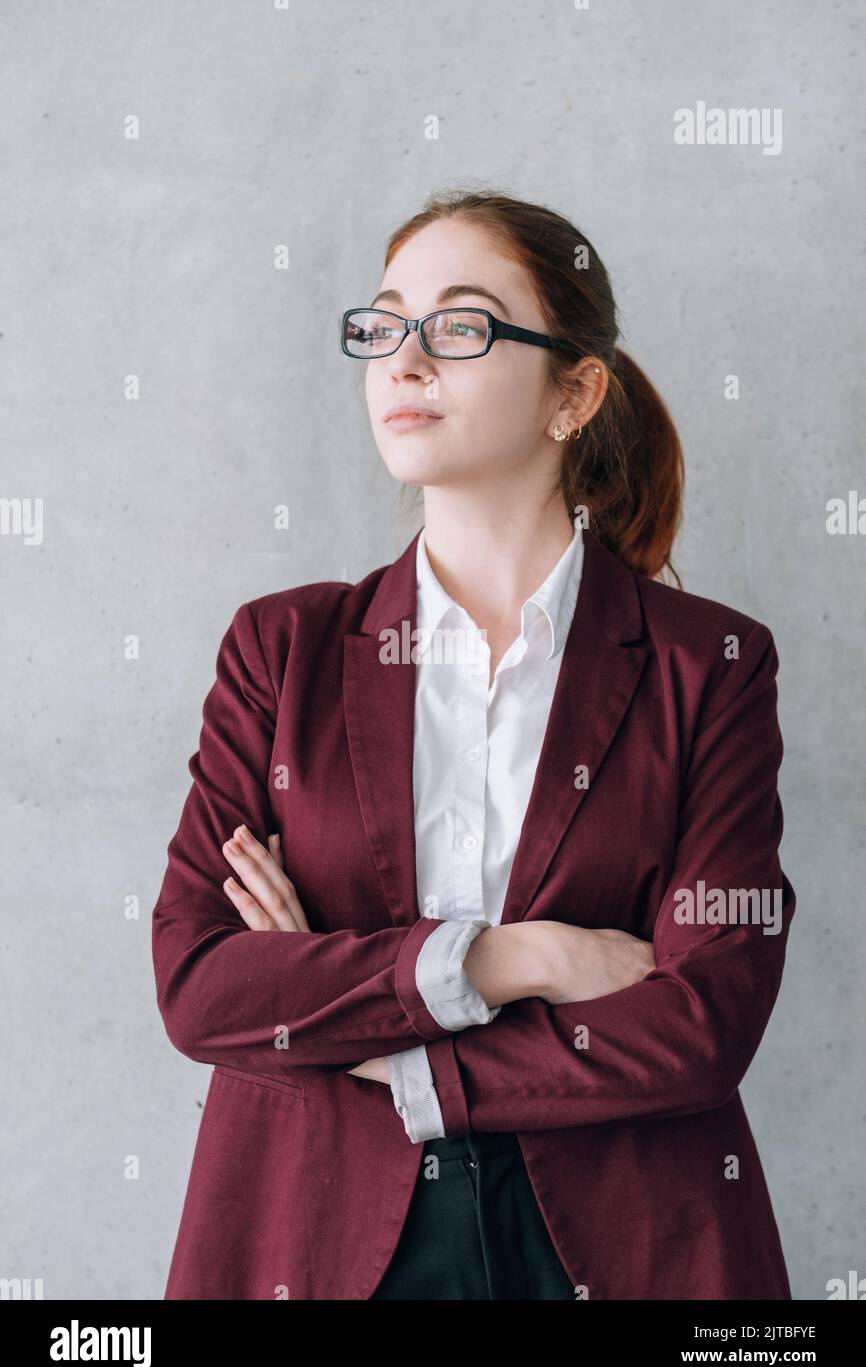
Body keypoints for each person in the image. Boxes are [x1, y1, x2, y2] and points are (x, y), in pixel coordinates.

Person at [152, 188, 794, 1300]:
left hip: (626, 1236)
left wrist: (375, 1045)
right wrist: (515, 957)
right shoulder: (280, 647)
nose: (403, 360)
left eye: (458, 326)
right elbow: (202, 984)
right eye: (382, 324)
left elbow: (702, 1021)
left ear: (572, 393)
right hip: (313, 1227)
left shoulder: (711, 665)